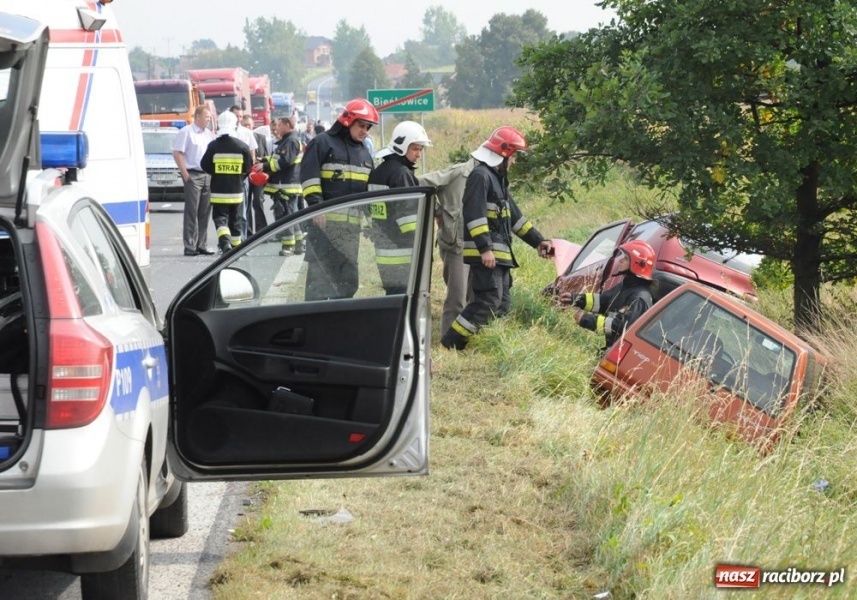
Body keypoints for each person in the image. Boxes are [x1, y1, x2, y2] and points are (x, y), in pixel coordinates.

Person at [440, 126, 553, 350]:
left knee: (501, 303)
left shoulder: (497, 179)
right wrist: (485, 249)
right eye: (515, 156)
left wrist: (538, 241)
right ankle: (451, 344)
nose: (515, 161)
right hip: (488, 255)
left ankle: (489, 345)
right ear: (504, 152)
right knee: (486, 301)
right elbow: (474, 214)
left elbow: (516, 218)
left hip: (499, 255)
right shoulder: (480, 176)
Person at [300, 98, 378, 301]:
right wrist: (317, 208)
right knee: (318, 284)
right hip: (324, 229)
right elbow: (309, 177)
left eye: (368, 127)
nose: (365, 131)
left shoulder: (365, 154)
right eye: (361, 125)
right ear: (347, 120)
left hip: (350, 233)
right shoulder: (322, 143)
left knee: (348, 283)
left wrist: (373, 220)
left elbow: (369, 192)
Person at [367, 120, 432, 294]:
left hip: (383, 252)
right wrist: (424, 241)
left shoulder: (378, 172)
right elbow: (410, 221)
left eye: (420, 150)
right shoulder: (402, 174)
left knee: (392, 298)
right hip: (403, 254)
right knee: (405, 302)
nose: (418, 154)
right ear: (402, 146)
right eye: (415, 149)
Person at [562, 240, 656, 349]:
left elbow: (620, 327)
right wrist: (575, 299)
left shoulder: (639, 298)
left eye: (625, 258)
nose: (620, 260)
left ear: (637, 264)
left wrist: (587, 319)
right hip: (610, 349)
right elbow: (603, 301)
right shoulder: (627, 286)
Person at [419, 157, 477, 334]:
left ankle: (467, 337)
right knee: (457, 298)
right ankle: (448, 339)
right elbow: (420, 182)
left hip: (479, 245)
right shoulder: (458, 173)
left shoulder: (491, 175)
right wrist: (438, 211)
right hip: (455, 244)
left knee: (475, 296)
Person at [200, 111, 253, 254]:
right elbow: (248, 168)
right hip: (236, 192)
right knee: (235, 220)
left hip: (218, 191)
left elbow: (204, 165)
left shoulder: (213, 146)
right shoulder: (242, 146)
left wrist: (216, 173)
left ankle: (225, 244)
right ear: (235, 125)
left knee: (220, 219)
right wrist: (238, 177)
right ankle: (236, 248)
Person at [172, 104, 215, 256]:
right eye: (206, 117)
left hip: (206, 175)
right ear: (197, 117)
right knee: (192, 211)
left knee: (205, 211)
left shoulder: (208, 133)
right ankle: (190, 246)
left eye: (209, 117)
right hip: (193, 174)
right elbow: (177, 153)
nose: (208, 120)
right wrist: (185, 175)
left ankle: (201, 244)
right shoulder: (186, 132)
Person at [258, 116, 304, 256]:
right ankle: (299, 244)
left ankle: (288, 246)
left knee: (285, 216)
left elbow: (284, 162)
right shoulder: (288, 140)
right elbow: (279, 158)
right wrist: (265, 159)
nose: (277, 128)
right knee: (292, 215)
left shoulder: (291, 141)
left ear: (288, 125)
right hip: (287, 184)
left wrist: (264, 166)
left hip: (286, 186)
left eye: (280, 125)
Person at [229, 106, 258, 239]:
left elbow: (252, 155)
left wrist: (246, 173)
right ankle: (227, 242)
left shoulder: (247, 132)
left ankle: (243, 240)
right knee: (228, 212)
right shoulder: (224, 132)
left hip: (242, 177)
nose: (239, 119)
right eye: (236, 116)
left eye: (241, 116)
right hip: (228, 177)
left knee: (243, 212)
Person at [242, 114, 269, 235]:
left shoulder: (261, 138)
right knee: (246, 204)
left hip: (258, 175)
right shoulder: (240, 138)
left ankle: (262, 231)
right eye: (244, 125)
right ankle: (248, 232)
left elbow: (268, 157)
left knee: (258, 201)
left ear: (253, 125)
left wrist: (261, 159)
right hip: (245, 175)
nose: (247, 127)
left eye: (249, 124)